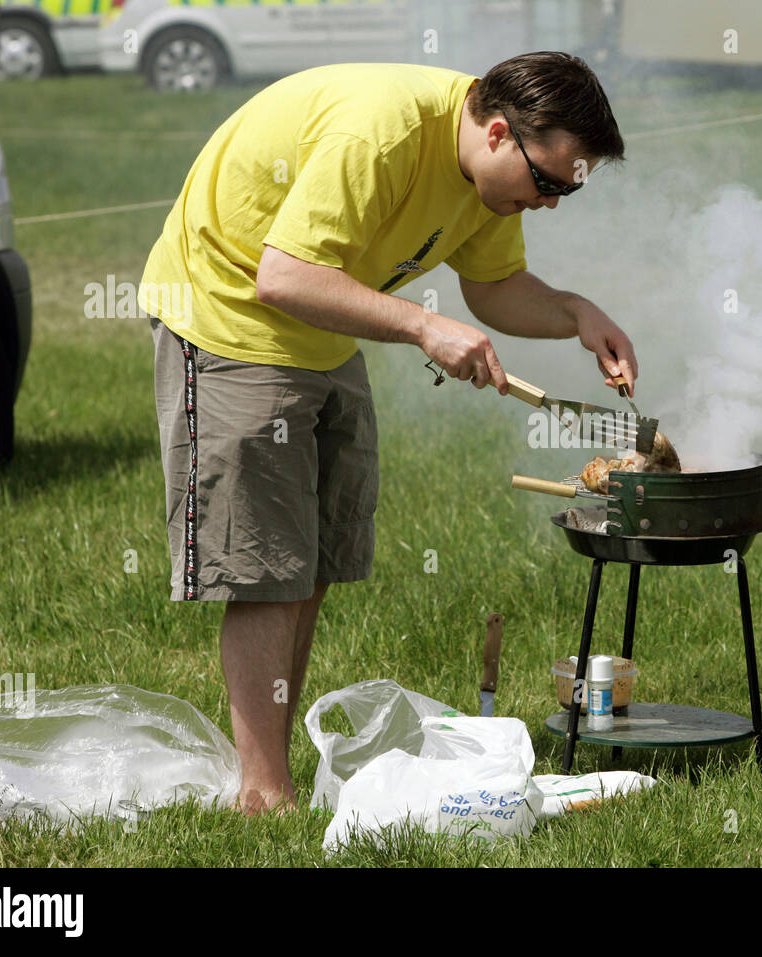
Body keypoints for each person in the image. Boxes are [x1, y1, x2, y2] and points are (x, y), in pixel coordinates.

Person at [143, 52, 638, 815]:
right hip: (230, 312)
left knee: (309, 560)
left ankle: (271, 778)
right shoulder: (383, 135)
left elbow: (494, 287)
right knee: (265, 564)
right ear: (500, 133)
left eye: (571, 186)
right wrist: (421, 326)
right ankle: (264, 795)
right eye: (548, 181)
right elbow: (282, 274)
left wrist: (578, 314)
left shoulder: (487, 184)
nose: (553, 202)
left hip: (319, 328)